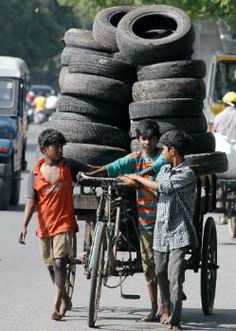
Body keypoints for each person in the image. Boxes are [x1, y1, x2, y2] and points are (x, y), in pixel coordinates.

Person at [82, 119, 165, 322]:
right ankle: (155, 308)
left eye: (151, 139)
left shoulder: (165, 156)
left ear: (157, 139)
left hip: (165, 220)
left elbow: (154, 170)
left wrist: (135, 178)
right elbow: (113, 166)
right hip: (146, 221)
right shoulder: (135, 157)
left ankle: (166, 306)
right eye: (143, 139)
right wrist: (91, 174)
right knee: (149, 265)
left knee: (163, 266)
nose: (147, 143)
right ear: (138, 140)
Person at [119, 130, 198, 330]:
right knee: (160, 272)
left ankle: (175, 320)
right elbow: (155, 193)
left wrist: (138, 179)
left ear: (173, 151)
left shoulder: (187, 174)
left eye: (163, 149)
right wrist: (138, 185)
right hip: (161, 231)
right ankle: (167, 309)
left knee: (175, 279)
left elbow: (162, 187)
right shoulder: (163, 170)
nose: (160, 152)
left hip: (179, 232)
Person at [18, 129, 88, 321]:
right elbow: (31, 202)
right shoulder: (34, 173)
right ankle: (65, 296)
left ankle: (57, 305)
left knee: (59, 263)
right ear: (43, 149)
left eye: (61, 146)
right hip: (45, 226)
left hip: (64, 223)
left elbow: (91, 170)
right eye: (55, 147)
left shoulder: (69, 166)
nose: (60, 150)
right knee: (50, 266)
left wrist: (113, 169)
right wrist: (24, 225)